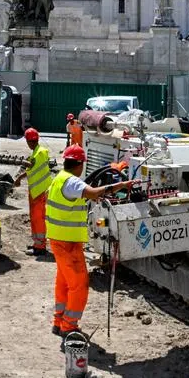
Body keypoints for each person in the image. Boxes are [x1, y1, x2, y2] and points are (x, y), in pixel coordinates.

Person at [47, 145, 134, 338]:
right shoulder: (72, 182)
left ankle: (58, 321)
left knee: (63, 283)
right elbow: (94, 193)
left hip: (59, 240)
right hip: (68, 244)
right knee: (79, 285)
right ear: (79, 164)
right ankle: (69, 326)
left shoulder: (59, 179)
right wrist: (122, 185)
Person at [12, 127, 51, 256]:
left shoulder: (38, 153)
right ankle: (37, 243)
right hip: (37, 191)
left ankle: (40, 247)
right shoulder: (38, 152)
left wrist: (19, 178)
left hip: (38, 193)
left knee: (38, 219)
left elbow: (31, 169)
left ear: (30, 141)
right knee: (35, 219)